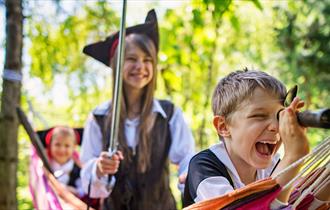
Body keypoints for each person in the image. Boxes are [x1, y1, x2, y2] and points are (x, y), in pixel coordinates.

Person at [80, 9, 195, 210]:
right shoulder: (99, 117)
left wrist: (191, 177)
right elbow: (88, 181)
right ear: (117, 64)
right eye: (131, 59)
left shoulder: (169, 114)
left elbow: (186, 159)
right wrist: (99, 169)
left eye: (147, 59)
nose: (140, 66)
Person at [183, 69, 329, 208]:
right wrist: (293, 156)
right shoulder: (203, 168)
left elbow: (301, 204)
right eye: (259, 116)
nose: (275, 127)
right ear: (223, 127)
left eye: (279, 117)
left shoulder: (273, 167)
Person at [45, 126, 85, 198]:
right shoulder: (45, 165)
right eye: (57, 144)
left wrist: (75, 191)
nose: (62, 149)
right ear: (50, 145)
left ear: (74, 147)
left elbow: (84, 190)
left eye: (67, 146)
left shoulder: (77, 169)